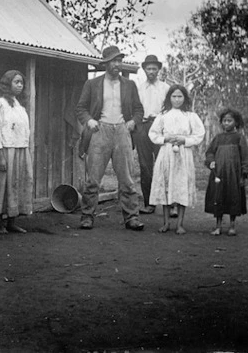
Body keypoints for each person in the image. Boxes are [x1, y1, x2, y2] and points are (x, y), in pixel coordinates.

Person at [75, 45, 145, 231]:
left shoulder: (129, 85)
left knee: (127, 179)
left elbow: (139, 110)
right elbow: (80, 108)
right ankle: (87, 216)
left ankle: (132, 217)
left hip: (122, 131)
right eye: (113, 60)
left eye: (119, 60)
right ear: (106, 63)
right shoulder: (93, 84)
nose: (117, 64)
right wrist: (89, 121)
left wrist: (133, 122)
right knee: (93, 179)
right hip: (100, 131)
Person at [148, 84, 205, 234]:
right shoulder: (163, 115)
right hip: (166, 153)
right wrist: (165, 138)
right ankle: (166, 223)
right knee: (166, 186)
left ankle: (180, 224)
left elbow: (199, 134)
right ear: (169, 98)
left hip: (183, 154)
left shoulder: (190, 116)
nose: (177, 99)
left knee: (181, 186)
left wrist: (184, 140)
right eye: (174, 96)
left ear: (185, 98)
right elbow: (153, 134)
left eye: (180, 96)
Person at [0, 70, 33, 234]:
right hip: (5, 150)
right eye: (16, 82)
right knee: (2, 185)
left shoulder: (20, 106)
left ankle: (12, 221)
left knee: (17, 184)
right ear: (8, 84)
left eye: (21, 83)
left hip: (21, 149)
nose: (20, 85)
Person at [133, 54, 170, 215]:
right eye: (149, 69)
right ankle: (149, 203)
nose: (152, 72)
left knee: (165, 165)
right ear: (144, 70)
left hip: (161, 127)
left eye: (154, 69)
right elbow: (134, 110)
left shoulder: (166, 88)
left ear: (159, 70)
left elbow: (170, 110)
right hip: (143, 126)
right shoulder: (139, 89)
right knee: (145, 166)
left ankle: (170, 205)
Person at [204, 108, 248, 236]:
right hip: (219, 173)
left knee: (233, 198)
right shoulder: (218, 138)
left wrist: (244, 173)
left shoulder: (239, 138)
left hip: (234, 175)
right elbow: (209, 152)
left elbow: (245, 157)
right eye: (224, 121)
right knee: (218, 198)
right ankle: (218, 226)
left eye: (229, 121)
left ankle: (232, 226)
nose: (226, 123)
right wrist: (211, 161)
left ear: (236, 123)